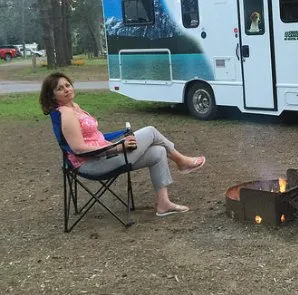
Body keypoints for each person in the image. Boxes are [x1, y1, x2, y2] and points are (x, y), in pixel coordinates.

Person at [40, 72, 205, 217]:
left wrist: (116, 141)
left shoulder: (75, 107)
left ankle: (163, 204)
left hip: (106, 154)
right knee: (151, 131)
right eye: (60, 88)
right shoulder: (66, 115)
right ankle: (181, 161)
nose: (67, 89)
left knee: (158, 152)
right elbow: (79, 149)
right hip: (91, 163)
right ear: (52, 95)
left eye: (68, 85)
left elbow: (94, 136)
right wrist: (118, 147)